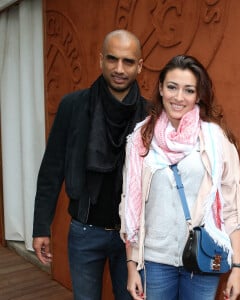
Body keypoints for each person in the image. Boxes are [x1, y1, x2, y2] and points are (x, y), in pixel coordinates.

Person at [119, 55, 240, 300]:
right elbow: (130, 208)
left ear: (198, 95)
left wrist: (238, 268)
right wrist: (131, 266)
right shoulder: (141, 139)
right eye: (172, 87)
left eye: (188, 90)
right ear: (160, 89)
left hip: (203, 257)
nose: (179, 97)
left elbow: (232, 209)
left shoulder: (216, 140)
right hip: (154, 260)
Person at [32, 29, 148, 300]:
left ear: (139, 66)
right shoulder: (73, 106)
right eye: (112, 59)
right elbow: (52, 168)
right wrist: (41, 227)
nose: (119, 69)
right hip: (85, 231)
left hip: (132, 237)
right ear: (101, 60)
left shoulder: (150, 114)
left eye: (128, 61)